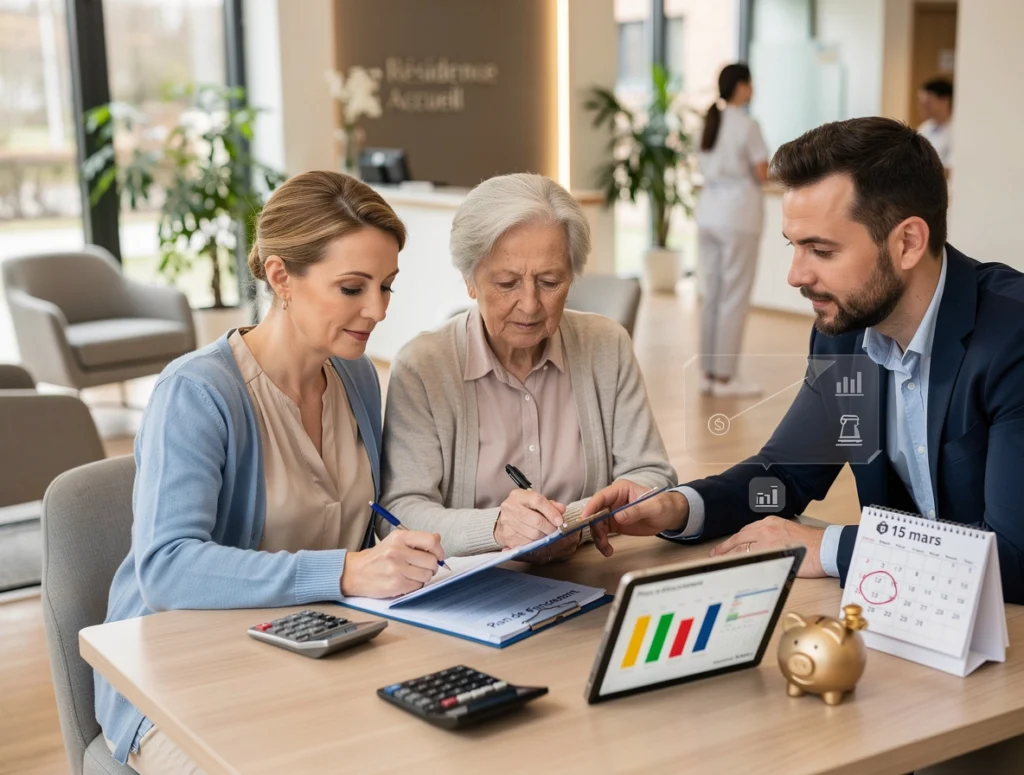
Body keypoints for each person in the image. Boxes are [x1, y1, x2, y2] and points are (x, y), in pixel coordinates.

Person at [582, 117, 1024, 608]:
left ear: (908, 243)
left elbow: (1015, 557)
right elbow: (783, 477)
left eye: (821, 250)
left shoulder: (1013, 337)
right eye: (793, 246)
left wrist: (828, 546)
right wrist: (679, 507)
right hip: (907, 615)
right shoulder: (846, 336)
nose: (795, 275)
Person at [97, 171, 446, 773]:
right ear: (282, 277)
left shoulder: (357, 376)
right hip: (179, 682)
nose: (378, 310)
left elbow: (362, 521)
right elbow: (166, 568)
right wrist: (346, 571)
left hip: (311, 653)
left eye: (386, 286)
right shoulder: (198, 392)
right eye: (352, 287)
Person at [381, 173, 676, 562]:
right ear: (470, 281)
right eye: (507, 283)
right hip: (474, 587)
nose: (531, 304)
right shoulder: (422, 367)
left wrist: (570, 523)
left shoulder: (608, 345)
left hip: (590, 571)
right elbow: (399, 513)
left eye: (550, 282)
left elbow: (653, 477)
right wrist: (497, 528)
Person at [695, 63, 770, 397]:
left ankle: (709, 373)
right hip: (738, 217)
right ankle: (725, 379)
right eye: (750, 83)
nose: (753, 89)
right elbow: (762, 173)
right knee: (734, 297)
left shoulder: (709, 121)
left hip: (708, 214)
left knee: (712, 295)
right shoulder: (747, 125)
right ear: (740, 87)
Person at [917, 77, 954, 175]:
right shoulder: (925, 128)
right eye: (921, 103)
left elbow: (951, 169)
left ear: (944, 101)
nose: (922, 107)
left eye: (927, 103)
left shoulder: (957, 130)